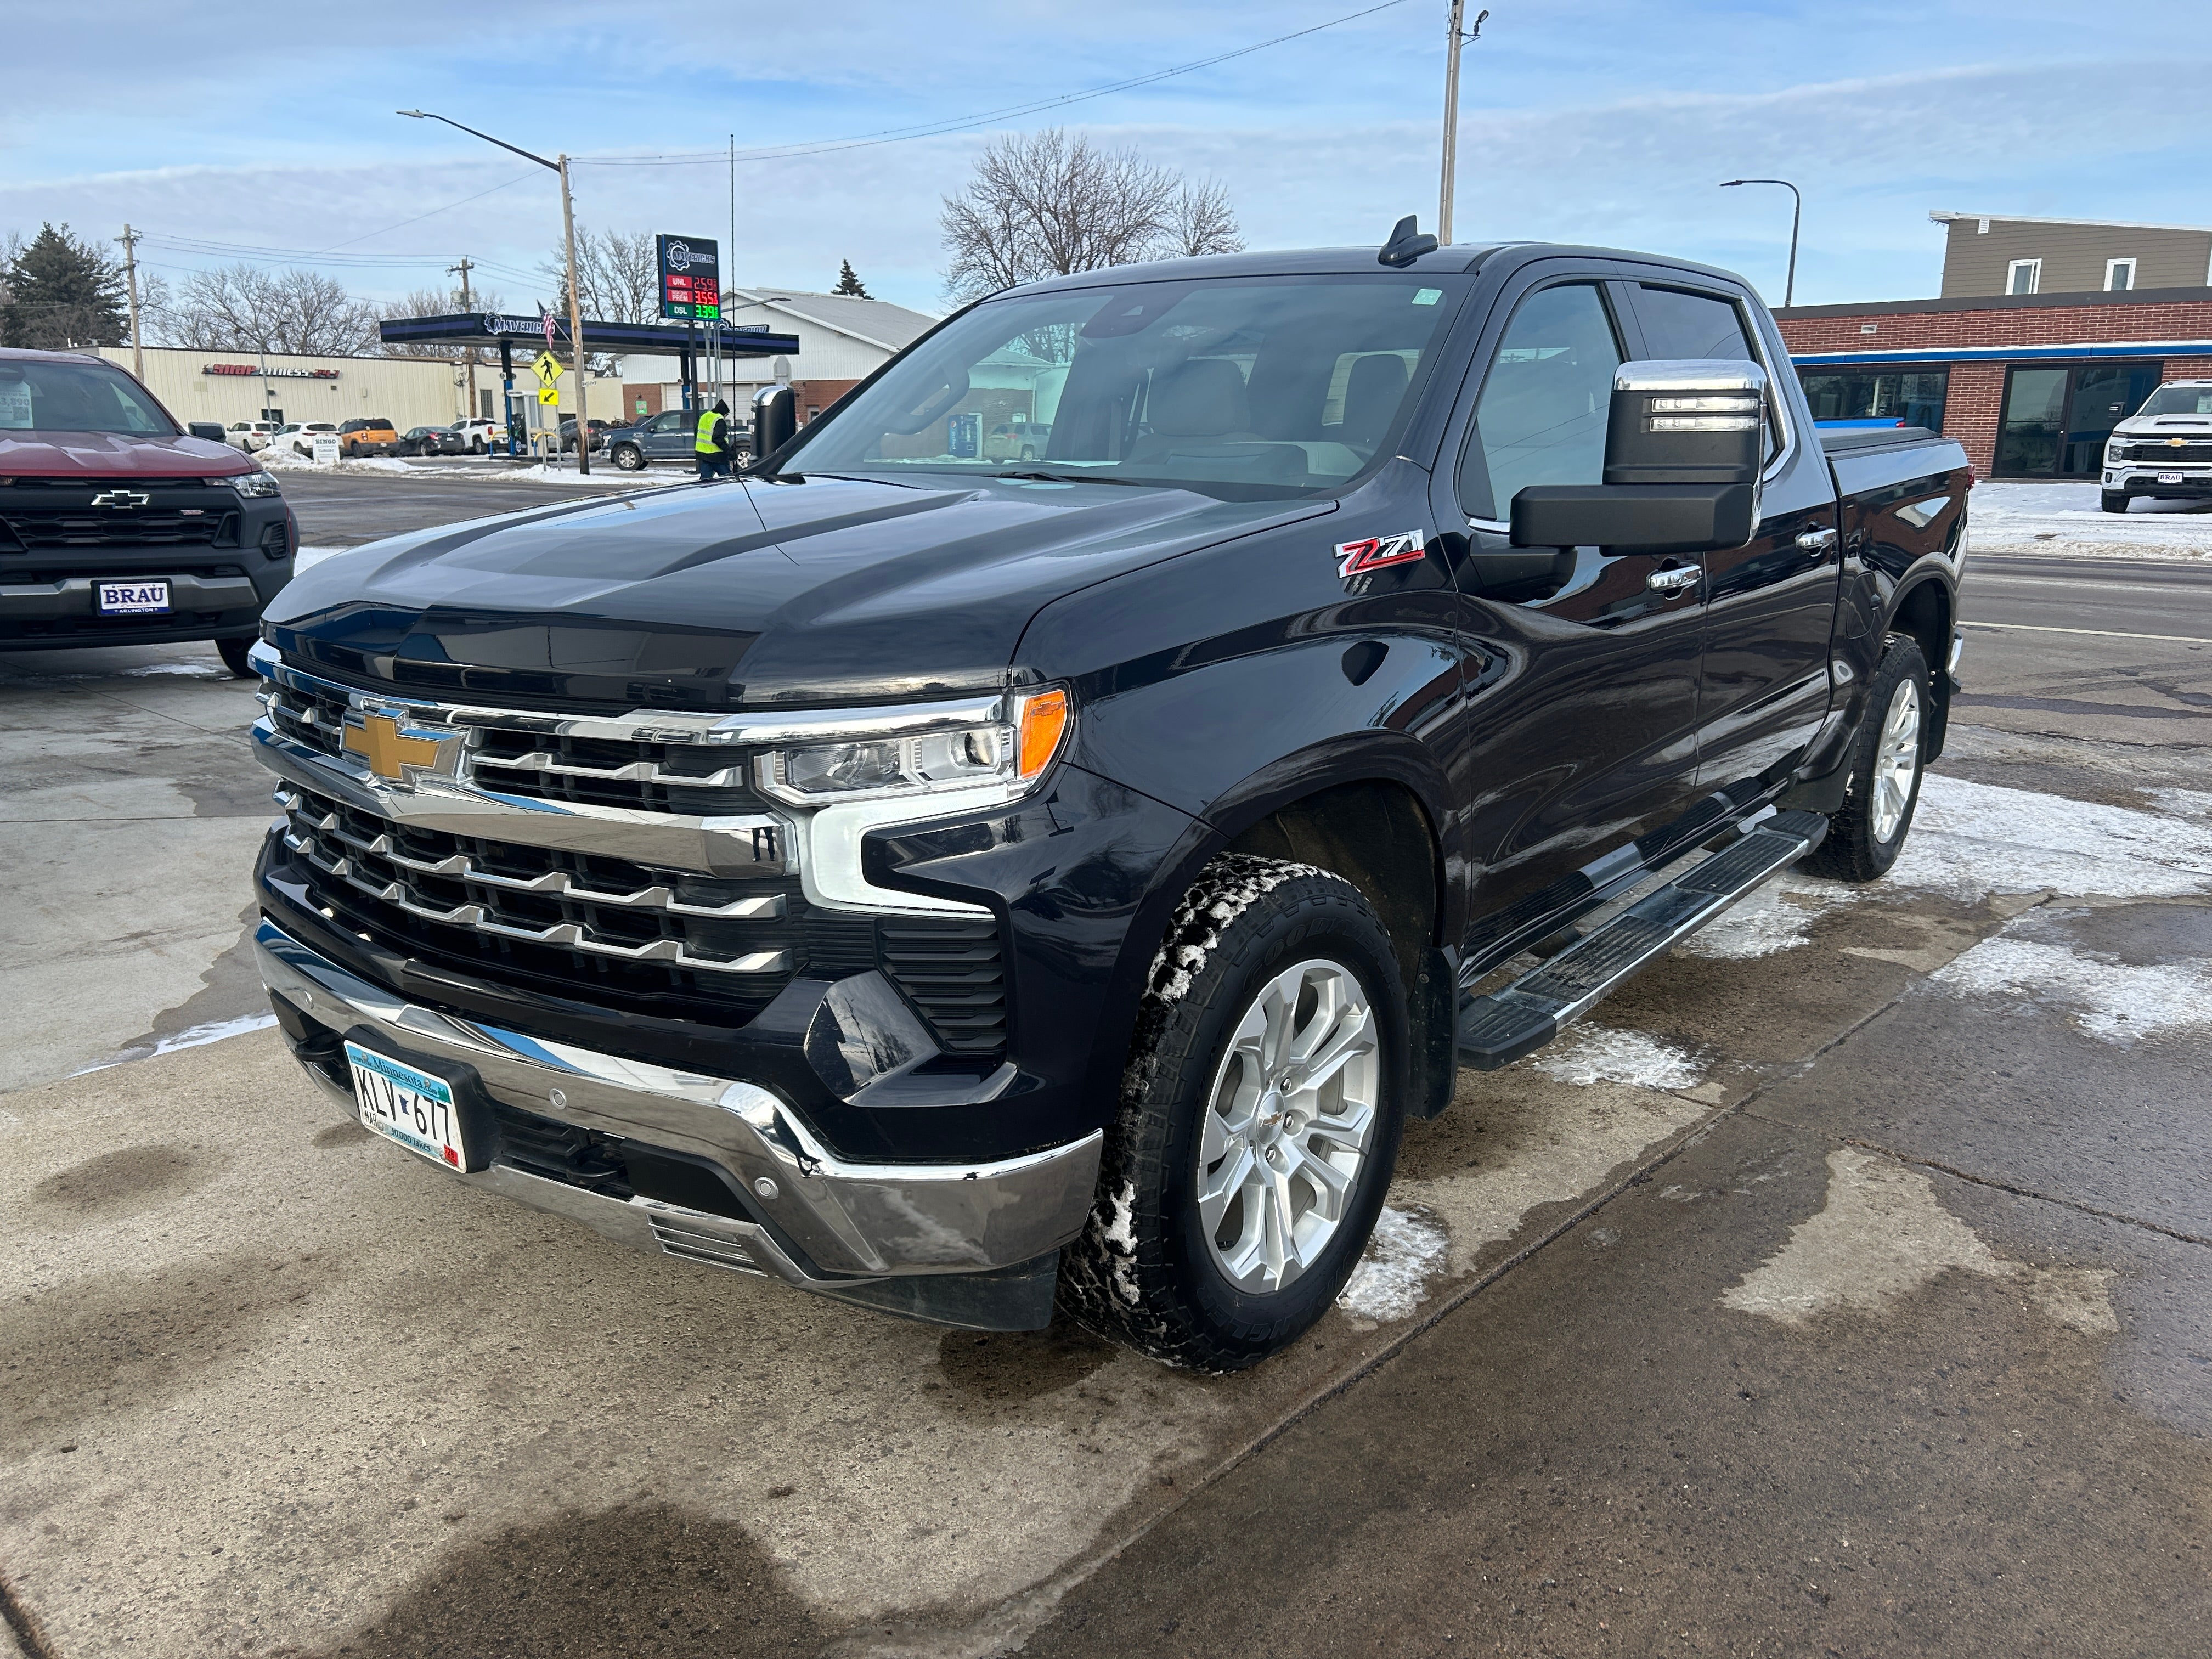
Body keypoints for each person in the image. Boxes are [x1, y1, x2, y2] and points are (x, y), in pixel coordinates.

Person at [695, 399, 735, 481]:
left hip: (704, 454)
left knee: (705, 480)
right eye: (726, 415)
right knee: (728, 479)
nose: (725, 417)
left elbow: (697, 432)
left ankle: (704, 488)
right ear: (724, 413)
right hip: (717, 456)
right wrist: (729, 451)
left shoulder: (704, 416)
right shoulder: (719, 420)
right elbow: (717, 439)